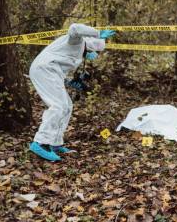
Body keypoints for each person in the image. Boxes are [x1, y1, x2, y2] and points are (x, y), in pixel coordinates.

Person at [29, 23, 116, 161]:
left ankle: (55, 143)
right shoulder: (76, 41)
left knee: (67, 106)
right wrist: (98, 33)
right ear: (90, 45)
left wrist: (71, 81)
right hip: (44, 69)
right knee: (58, 106)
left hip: (51, 71)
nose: (93, 55)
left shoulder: (78, 54)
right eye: (94, 51)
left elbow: (63, 66)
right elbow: (74, 28)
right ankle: (40, 142)